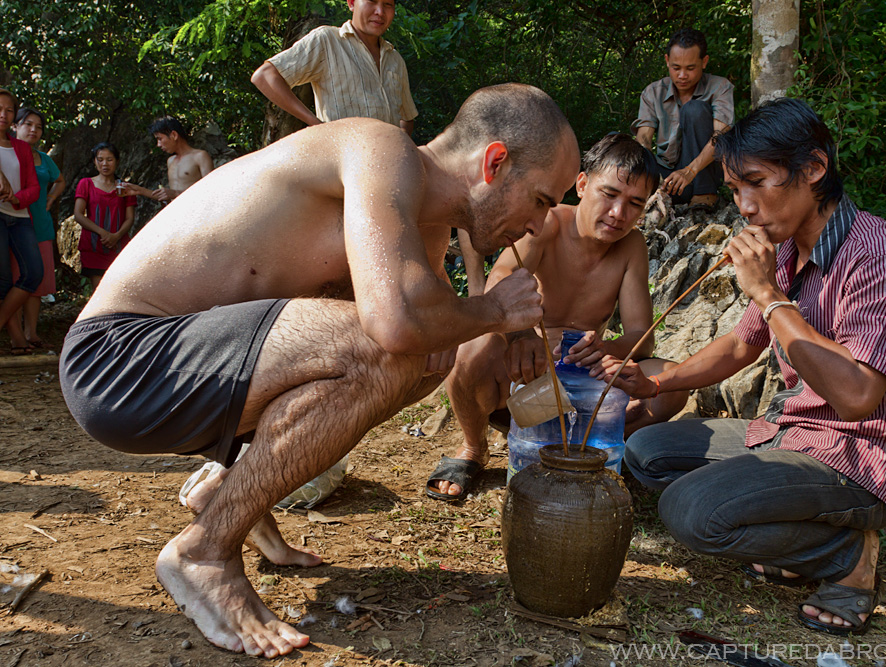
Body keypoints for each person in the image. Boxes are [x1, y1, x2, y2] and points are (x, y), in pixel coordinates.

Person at [59, 84, 579, 657]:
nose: (538, 223)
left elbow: (430, 336)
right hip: (119, 360)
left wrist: (501, 324)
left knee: (428, 360)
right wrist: (494, 311)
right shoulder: (381, 150)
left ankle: (232, 495)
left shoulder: (420, 224)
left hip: (190, 372)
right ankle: (204, 550)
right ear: (495, 161)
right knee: (392, 344)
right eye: (541, 199)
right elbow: (396, 328)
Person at [598, 98, 886, 636]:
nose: (744, 205)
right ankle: (795, 532)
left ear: (813, 169)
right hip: (796, 433)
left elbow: (857, 396)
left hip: (866, 454)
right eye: (735, 189)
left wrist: (768, 295)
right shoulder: (787, 250)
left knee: (691, 512)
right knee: (647, 452)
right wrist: (655, 381)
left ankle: (845, 555)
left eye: (756, 183)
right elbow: (741, 346)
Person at [428, 133, 688, 500]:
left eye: (634, 204)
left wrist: (604, 347)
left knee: (671, 383)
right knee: (471, 349)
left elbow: (642, 336)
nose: (618, 214)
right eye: (609, 194)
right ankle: (473, 448)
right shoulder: (548, 224)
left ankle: (595, 450)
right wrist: (523, 336)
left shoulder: (632, 247)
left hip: (586, 384)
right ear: (582, 184)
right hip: (528, 376)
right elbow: (499, 283)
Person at [251, 0, 417, 136]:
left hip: (385, 168)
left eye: (388, 4)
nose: (380, 11)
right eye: (372, 1)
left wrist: (401, 146)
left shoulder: (395, 59)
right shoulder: (327, 41)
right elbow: (265, 76)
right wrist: (317, 125)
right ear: (352, 3)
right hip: (340, 166)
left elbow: (407, 117)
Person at [632, 28, 734, 207]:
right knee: (615, 143)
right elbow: (644, 138)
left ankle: (705, 194)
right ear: (667, 61)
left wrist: (689, 171)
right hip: (668, 176)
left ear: (704, 62)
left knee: (694, 109)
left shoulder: (720, 87)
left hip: (701, 173)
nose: (682, 75)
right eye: (676, 68)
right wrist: (646, 174)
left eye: (690, 68)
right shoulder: (653, 92)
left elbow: (720, 136)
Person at [12, 108, 66, 349]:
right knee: (14, 281)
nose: (33, 130)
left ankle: (31, 332)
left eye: (39, 127)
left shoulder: (44, 159)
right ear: (15, 126)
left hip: (41, 227)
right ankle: (17, 337)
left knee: (38, 283)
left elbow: (60, 180)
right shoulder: (7, 154)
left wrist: (51, 198)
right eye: (28, 124)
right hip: (12, 224)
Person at [0, 88, 42, 355]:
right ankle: (16, 337)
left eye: (8, 110)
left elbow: (34, 188)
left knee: (34, 273)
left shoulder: (21, 148)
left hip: (20, 216)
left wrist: (15, 197)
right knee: (3, 280)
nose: (2, 114)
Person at [73, 142, 136, 290]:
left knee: (120, 289)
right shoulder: (86, 183)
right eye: (100, 159)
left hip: (119, 246)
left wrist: (116, 235)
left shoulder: (124, 187)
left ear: (117, 161)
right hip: (94, 246)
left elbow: (130, 218)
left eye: (109, 159)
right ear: (95, 162)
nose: (105, 164)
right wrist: (103, 233)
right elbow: (78, 214)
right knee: (99, 291)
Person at [123, 116, 213, 203]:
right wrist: (140, 190)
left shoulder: (200, 156)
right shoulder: (170, 161)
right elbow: (169, 196)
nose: (158, 144)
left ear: (174, 135)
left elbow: (211, 190)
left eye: (160, 139)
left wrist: (175, 193)